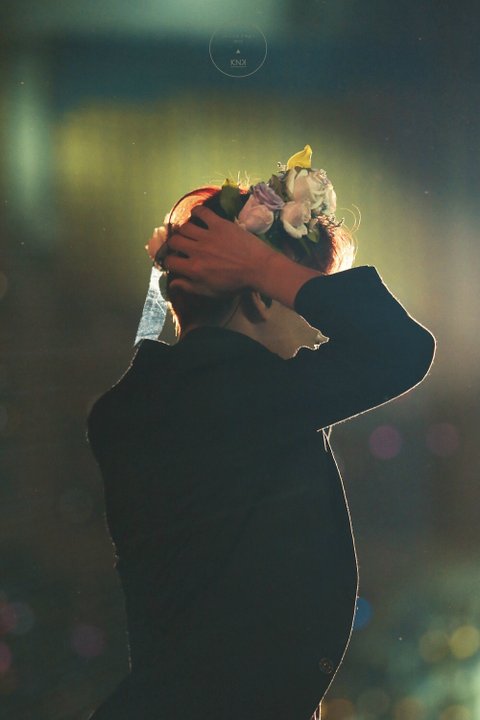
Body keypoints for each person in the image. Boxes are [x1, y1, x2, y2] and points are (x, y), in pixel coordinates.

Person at [87, 146, 435, 720]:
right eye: (304, 298)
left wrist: (246, 268)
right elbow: (402, 348)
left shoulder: (157, 403)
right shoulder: (235, 399)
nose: (318, 331)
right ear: (257, 294)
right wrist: (260, 264)